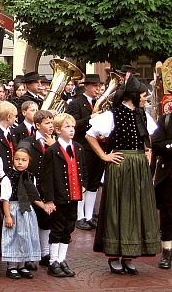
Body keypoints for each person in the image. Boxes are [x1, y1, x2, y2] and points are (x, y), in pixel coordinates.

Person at [86, 76, 159, 274]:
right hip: (120, 165)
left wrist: (148, 151)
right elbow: (90, 134)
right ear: (134, 96)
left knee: (137, 207)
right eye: (144, 95)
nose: (145, 99)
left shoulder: (143, 115)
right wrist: (104, 156)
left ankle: (129, 254)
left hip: (139, 166)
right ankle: (114, 254)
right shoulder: (113, 115)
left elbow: (149, 136)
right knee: (118, 207)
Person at [42, 113, 86, 278]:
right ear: (58, 130)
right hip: (59, 197)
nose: (72, 130)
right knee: (57, 228)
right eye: (67, 127)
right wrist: (49, 199)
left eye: (73, 127)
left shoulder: (78, 147)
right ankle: (53, 260)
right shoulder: (52, 151)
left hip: (74, 196)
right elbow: (47, 177)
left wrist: (84, 185)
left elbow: (83, 169)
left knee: (68, 228)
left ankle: (62, 259)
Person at [0, 147, 47, 279]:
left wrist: (44, 206)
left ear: (28, 161)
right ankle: (12, 266)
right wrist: (8, 216)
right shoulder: (8, 178)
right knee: (13, 237)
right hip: (14, 209)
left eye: (23, 160)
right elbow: (5, 199)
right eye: (17, 159)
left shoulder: (30, 176)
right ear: (13, 160)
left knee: (26, 237)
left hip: (26, 210)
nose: (20, 162)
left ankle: (22, 265)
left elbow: (33, 196)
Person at [66, 74, 103, 231]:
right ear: (87, 86)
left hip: (99, 147)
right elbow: (74, 125)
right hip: (83, 147)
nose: (98, 89)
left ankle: (89, 215)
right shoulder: (76, 103)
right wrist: (91, 117)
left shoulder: (100, 103)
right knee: (83, 182)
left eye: (99, 86)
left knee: (94, 183)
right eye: (95, 86)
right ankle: (79, 216)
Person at [20, 109, 55, 267]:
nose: (51, 126)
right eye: (47, 123)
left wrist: (54, 147)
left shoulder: (56, 142)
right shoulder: (28, 141)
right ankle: (28, 255)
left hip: (48, 185)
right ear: (38, 125)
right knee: (29, 220)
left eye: (52, 122)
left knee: (46, 220)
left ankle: (45, 252)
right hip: (30, 185)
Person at [151, 113, 172, 269]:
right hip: (168, 177)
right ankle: (167, 252)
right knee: (167, 216)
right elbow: (157, 145)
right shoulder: (166, 120)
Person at [0, 101, 19, 175]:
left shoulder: (12, 131)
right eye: (15, 116)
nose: (16, 119)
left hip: (12, 173)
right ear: (8, 117)